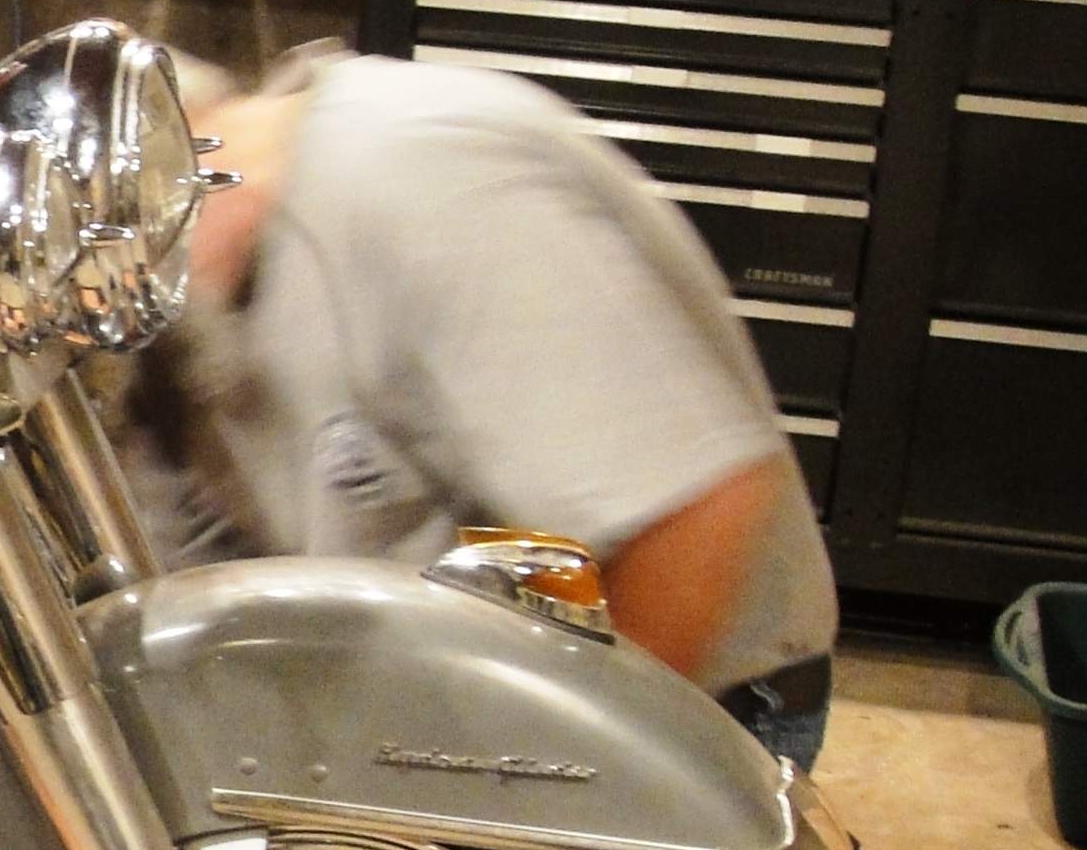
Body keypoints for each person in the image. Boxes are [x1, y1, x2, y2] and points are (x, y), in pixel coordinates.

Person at [121, 48, 843, 768]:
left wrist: (550, 811)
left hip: (671, 721)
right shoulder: (199, 288)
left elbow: (691, 520)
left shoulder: (425, 183)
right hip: (431, 712)